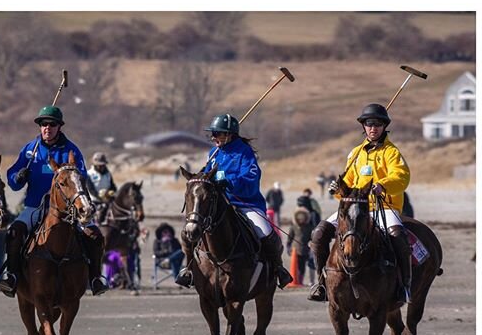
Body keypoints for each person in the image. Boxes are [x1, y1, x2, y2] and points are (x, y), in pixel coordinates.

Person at [0, 105, 109, 297]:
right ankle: (12, 275)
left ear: (59, 127)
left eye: (51, 124)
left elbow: (81, 178)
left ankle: (95, 278)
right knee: (15, 232)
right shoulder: (30, 150)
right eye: (43, 124)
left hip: (68, 210)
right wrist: (18, 176)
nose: (47, 128)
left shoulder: (71, 150)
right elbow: (13, 182)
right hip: (35, 206)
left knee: (95, 235)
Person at [308, 103, 412, 303]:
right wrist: (338, 189)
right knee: (319, 233)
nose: (373, 128)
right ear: (363, 126)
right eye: (369, 124)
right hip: (354, 208)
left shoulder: (391, 152)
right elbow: (348, 182)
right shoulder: (355, 153)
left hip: (383, 206)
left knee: (398, 235)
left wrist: (383, 185)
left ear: (384, 127)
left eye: (378, 124)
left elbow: (401, 177)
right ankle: (322, 283)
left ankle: (404, 286)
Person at [175, 113, 292, 289]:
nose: (214, 137)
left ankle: (278, 269)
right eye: (213, 133)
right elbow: (207, 176)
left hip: (245, 203)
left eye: (218, 133)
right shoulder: (213, 152)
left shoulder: (244, 152)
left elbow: (251, 178)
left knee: (266, 231)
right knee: (189, 231)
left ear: (230, 134)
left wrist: (229, 182)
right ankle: (190, 269)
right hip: (218, 204)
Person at [286, 205, 314, 285]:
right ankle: (295, 280)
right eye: (299, 218)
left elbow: (311, 238)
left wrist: (311, 245)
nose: (301, 220)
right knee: (295, 266)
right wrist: (288, 248)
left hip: (305, 250)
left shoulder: (309, 227)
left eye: (303, 218)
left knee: (302, 267)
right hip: (295, 251)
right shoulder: (293, 227)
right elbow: (289, 239)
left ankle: (300, 280)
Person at [86, 152, 117, 224]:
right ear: (95, 165)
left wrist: (111, 192)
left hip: (108, 200)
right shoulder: (89, 174)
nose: (101, 167)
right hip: (94, 202)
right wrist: (101, 197)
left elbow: (113, 186)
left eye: (103, 165)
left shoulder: (108, 174)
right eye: (99, 165)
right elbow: (91, 189)